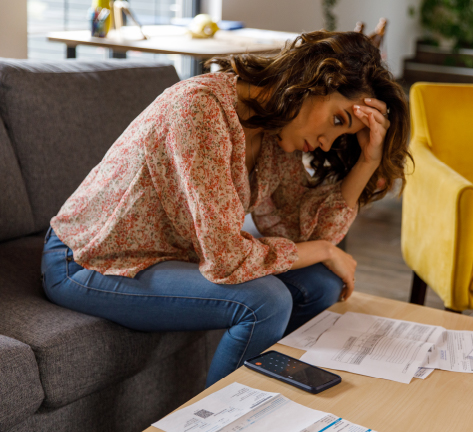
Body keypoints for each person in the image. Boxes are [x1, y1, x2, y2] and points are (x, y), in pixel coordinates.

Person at [41, 30, 410, 387]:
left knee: (320, 283)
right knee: (264, 302)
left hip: (170, 254)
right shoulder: (200, 108)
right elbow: (227, 259)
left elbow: (306, 236)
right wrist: (324, 250)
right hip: (89, 259)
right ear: (313, 82)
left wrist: (367, 161)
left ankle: (279, 399)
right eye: (337, 120)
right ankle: (217, 419)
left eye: (342, 136)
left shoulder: (273, 130)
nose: (328, 145)